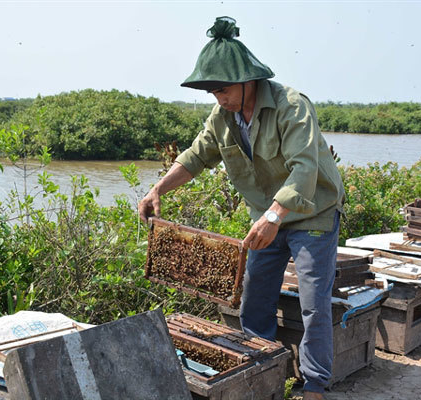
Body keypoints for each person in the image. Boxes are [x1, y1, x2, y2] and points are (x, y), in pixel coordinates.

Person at [138, 16, 344, 400]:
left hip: (312, 212)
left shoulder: (291, 106)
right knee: (254, 299)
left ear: (249, 80)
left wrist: (273, 216)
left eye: (224, 89)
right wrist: (158, 189)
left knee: (314, 303)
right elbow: (196, 156)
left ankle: (315, 384)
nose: (219, 98)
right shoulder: (223, 117)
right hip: (266, 218)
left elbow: (305, 169)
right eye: (212, 92)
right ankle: (258, 371)